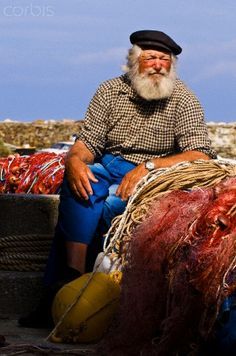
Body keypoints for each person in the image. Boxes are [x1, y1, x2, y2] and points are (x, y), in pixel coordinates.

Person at [18, 29, 216, 328]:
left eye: (165, 59)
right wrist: (73, 160)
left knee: (110, 203)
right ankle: (74, 279)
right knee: (82, 182)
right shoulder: (109, 91)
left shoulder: (183, 98)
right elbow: (88, 143)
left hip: (157, 171)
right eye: (150, 58)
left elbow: (200, 153)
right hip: (110, 163)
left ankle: (62, 293)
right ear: (134, 61)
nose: (158, 65)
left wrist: (148, 167)